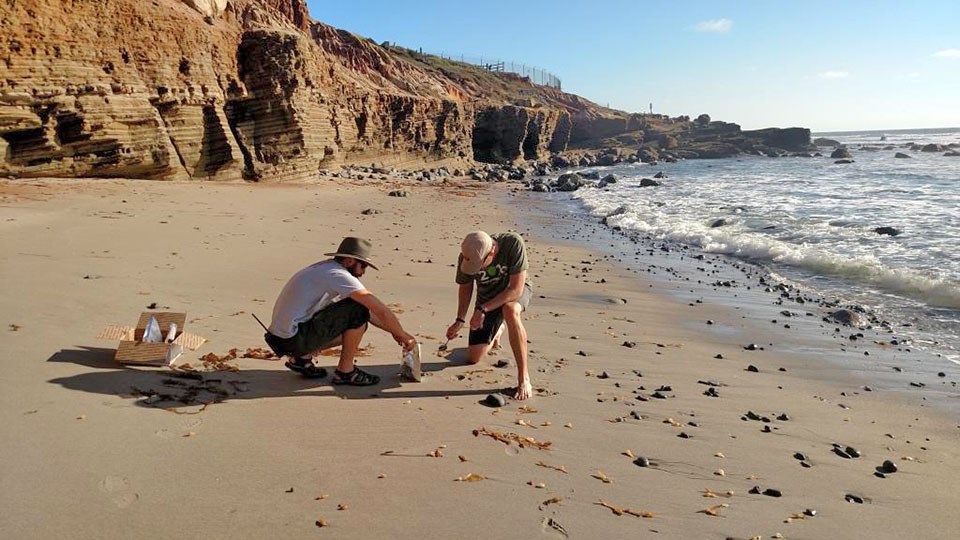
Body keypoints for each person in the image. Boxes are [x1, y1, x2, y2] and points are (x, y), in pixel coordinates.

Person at [264, 237, 416, 386]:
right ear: (350, 261)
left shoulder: (324, 268)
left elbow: (371, 314)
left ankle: (301, 359)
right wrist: (402, 336)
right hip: (291, 340)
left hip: (280, 338)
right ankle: (345, 372)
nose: (363, 272)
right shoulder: (338, 275)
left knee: (356, 312)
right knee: (357, 310)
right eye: (363, 266)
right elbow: (378, 310)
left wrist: (397, 332)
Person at [446, 231, 533, 400]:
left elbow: (516, 289)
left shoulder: (512, 243)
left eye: (480, 266)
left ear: (492, 251)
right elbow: (465, 287)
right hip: (487, 298)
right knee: (474, 357)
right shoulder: (468, 254)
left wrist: (483, 310)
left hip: (514, 291)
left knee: (510, 310)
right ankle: (498, 329)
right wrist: (460, 320)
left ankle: (524, 377)